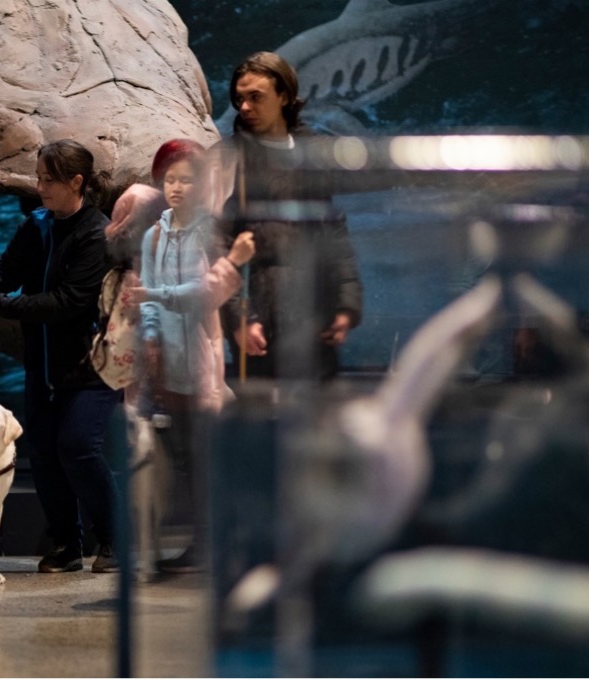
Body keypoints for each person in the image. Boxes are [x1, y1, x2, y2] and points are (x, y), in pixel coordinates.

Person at [0, 139, 122, 574]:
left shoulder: (95, 234)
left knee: (79, 447)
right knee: (44, 453)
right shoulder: (38, 223)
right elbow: (8, 271)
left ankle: (118, 539)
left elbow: (67, 302)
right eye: (40, 177)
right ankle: (66, 544)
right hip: (42, 366)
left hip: (89, 367)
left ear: (76, 183)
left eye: (48, 180)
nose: (40, 186)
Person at [125, 139, 255, 573]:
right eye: (170, 179)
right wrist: (149, 331)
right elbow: (144, 297)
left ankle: (222, 540)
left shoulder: (211, 231)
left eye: (186, 179)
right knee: (184, 458)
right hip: (168, 367)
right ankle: (202, 540)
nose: (177, 187)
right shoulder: (154, 233)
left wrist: (157, 296)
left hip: (202, 361)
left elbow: (208, 294)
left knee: (210, 456)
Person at [217, 51, 363, 380]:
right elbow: (216, 243)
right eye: (239, 98)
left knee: (317, 420)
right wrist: (239, 318)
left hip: (316, 307)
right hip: (258, 313)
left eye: (256, 97)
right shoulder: (229, 158)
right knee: (258, 419)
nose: (244, 108)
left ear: (283, 96)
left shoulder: (314, 153)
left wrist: (345, 305)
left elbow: (334, 230)